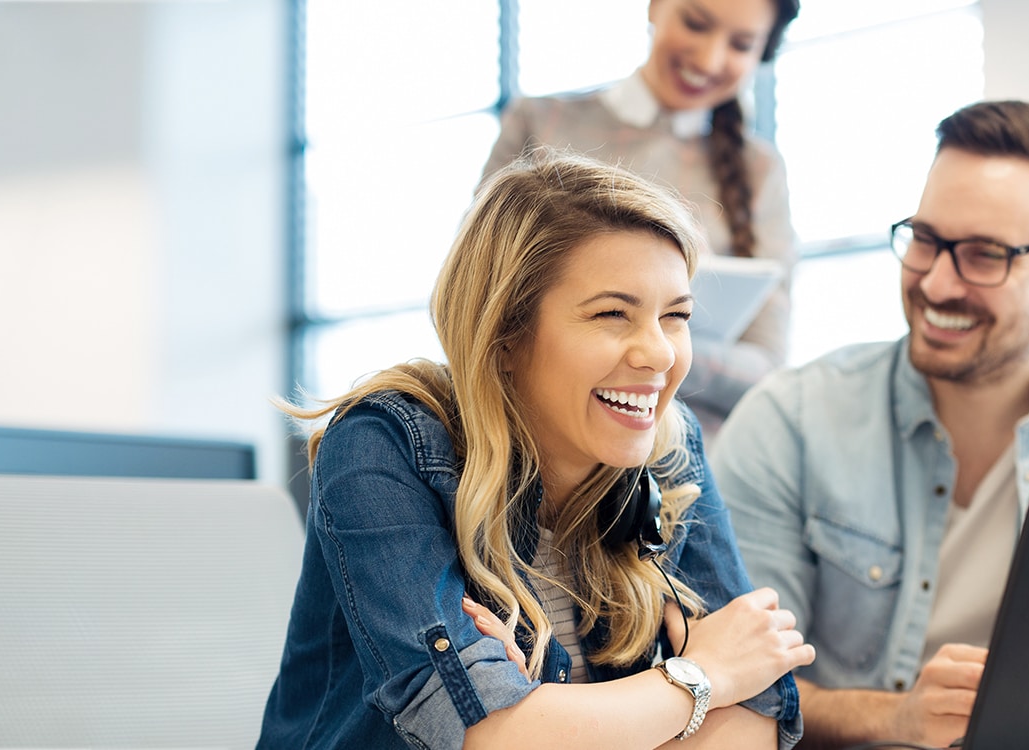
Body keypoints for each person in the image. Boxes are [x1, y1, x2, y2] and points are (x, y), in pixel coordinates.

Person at [257, 151, 814, 749]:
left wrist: (551, 721)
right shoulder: (382, 445)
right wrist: (700, 677)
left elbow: (755, 704)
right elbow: (487, 737)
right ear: (505, 335)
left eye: (675, 316)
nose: (658, 353)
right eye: (612, 314)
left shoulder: (668, 448)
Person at [710, 100, 1029, 749]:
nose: (936, 281)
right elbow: (740, 690)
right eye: (926, 239)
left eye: (985, 255)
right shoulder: (788, 421)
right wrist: (896, 718)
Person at [481, 0, 801, 434]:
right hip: (534, 440)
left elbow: (767, 367)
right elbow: (479, 303)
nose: (709, 59)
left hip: (689, 463)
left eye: (741, 44)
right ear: (655, 6)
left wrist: (652, 346)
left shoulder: (759, 172)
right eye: (695, 23)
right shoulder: (540, 124)